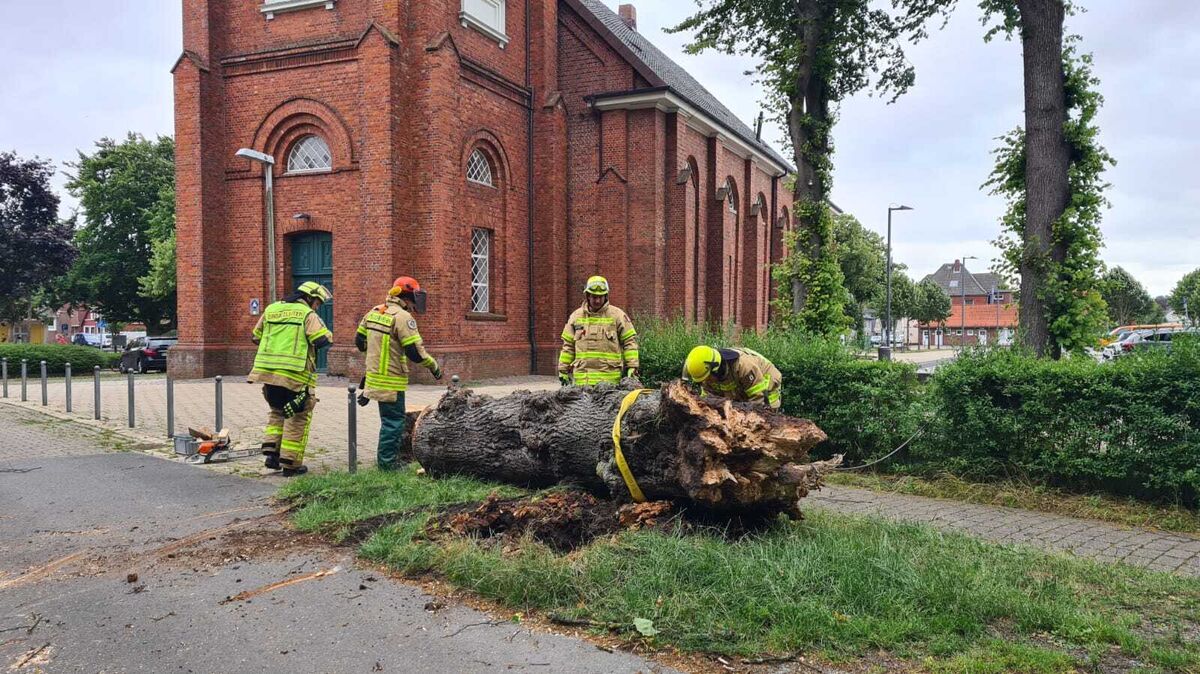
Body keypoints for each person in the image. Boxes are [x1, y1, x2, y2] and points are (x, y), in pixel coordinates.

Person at [355, 276, 442, 470]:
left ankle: (386, 460)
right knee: (394, 422)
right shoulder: (403, 318)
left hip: (374, 376)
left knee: (388, 419)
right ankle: (387, 465)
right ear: (408, 295)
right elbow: (415, 353)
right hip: (391, 379)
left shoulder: (374, 312)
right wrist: (434, 366)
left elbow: (359, 342)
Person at [248, 281, 333, 476]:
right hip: (295, 375)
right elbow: (321, 340)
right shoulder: (307, 314)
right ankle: (291, 464)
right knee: (297, 417)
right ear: (310, 298)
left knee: (277, 411)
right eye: (318, 303)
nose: (317, 307)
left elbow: (255, 337)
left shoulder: (272, 309)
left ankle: (272, 454)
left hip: (268, 375)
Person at [558, 275, 639, 386]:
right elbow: (568, 346)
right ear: (587, 296)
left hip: (609, 382)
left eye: (600, 297)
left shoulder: (618, 316)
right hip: (582, 381)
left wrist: (632, 366)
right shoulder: (575, 317)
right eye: (594, 297)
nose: (597, 300)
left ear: (606, 296)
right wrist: (563, 369)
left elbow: (630, 342)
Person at [682, 345, 782, 409]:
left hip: (766, 389)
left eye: (707, 377)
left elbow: (758, 400)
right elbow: (708, 400)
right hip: (742, 390)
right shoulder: (708, 372)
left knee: (763, 424)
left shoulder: (744, 366)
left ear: (716, 368)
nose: (706, 382)